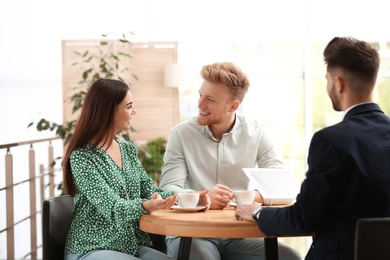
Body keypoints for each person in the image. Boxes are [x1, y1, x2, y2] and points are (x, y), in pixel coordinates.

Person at [235, 36, 390, 259]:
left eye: (327, 80)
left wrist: (258, 212)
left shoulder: (331, 141)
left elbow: (303, 219)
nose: (328, 86)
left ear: (338, 83)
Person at [160, 61, 302, 260]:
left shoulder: (257, 133)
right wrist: (202, 196)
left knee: (290, 257)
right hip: (192, 232)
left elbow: (282, 188)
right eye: (200, 95)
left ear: (233, 105)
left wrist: (247, 197)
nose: (200, 104)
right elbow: (167, 189)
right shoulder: (181, 134)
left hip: (238, 233)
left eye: (209, 99)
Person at [62, 78, 182, 260]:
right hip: (91, 248)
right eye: (128, 106)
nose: (134, 112)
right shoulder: (82, 158)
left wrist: (190, 199)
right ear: (108, 110)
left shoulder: (127, 149)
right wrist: (144, 205)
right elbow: (113, 208)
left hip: (130, 247)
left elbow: (152, 192)